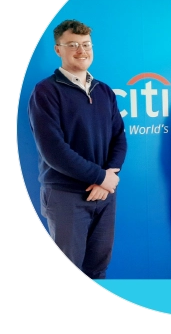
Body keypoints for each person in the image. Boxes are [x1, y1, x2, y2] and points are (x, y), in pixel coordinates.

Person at [28, 19, 127, 279]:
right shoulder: (46, 92)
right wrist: (102, 177)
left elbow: (119, 138)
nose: (81, 50)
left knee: (98, 270)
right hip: (66, 196)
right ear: (58, 50)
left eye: (86, 44)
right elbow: (54, 151)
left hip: (105, 195)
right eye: (73, 44)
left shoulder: (104, 90)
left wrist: (106, 180)